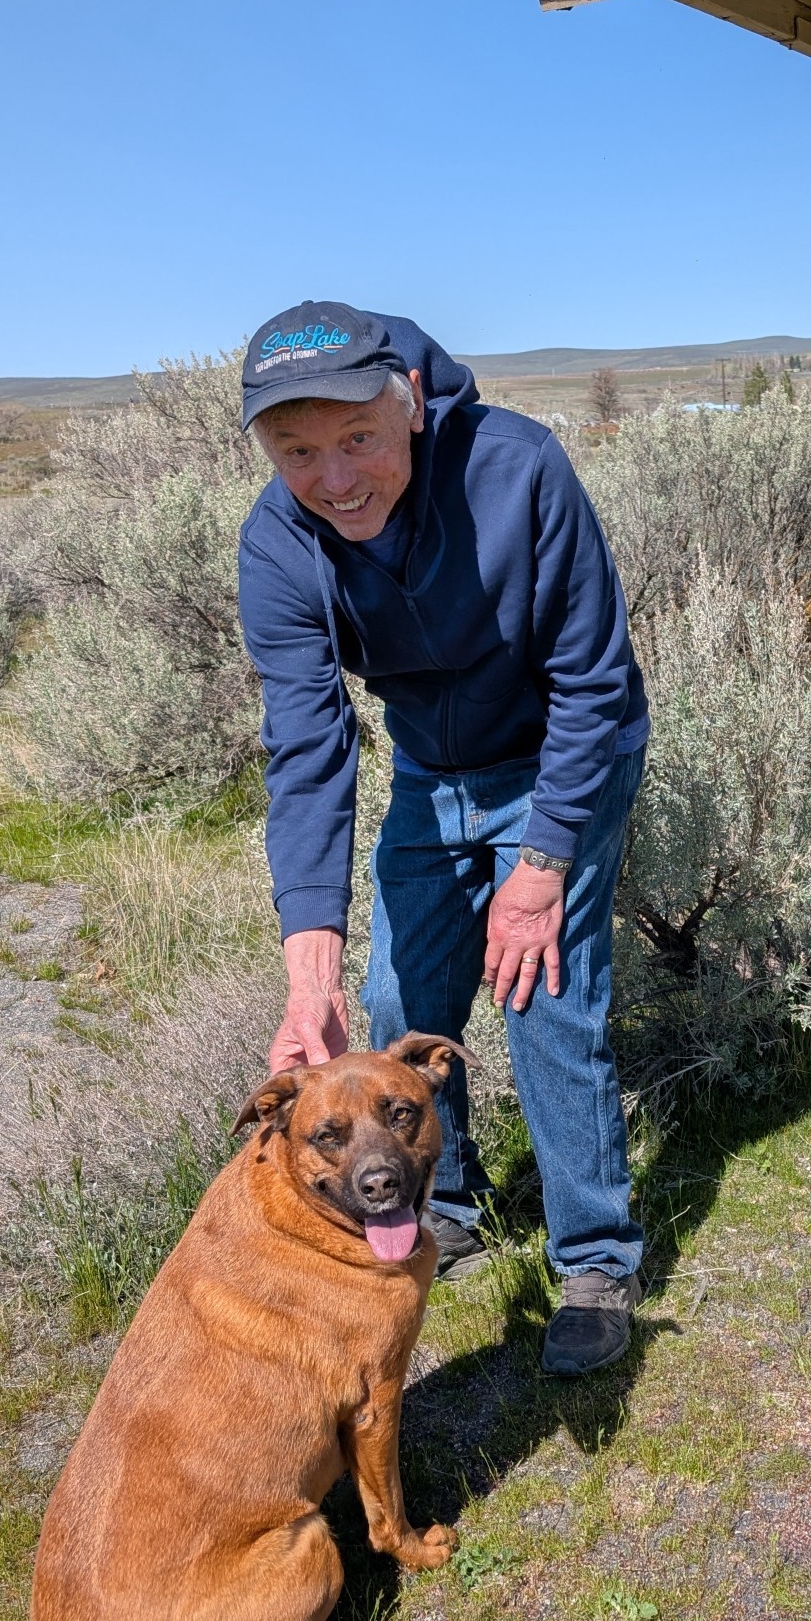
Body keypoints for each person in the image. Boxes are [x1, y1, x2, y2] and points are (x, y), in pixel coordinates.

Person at [236, 300, 649, 1377]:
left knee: (545, 995)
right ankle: (440, 1200)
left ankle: (597, 1258)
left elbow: (593, 682)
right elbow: (310, 746)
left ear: (408, 403)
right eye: (299, 453)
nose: (334, 480)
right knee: (389, 1005)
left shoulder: (517, 471)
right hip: (432, 771)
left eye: (357, 439)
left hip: (562, 754)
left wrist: (541, 863)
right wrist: (304, 968)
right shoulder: (279, 542)